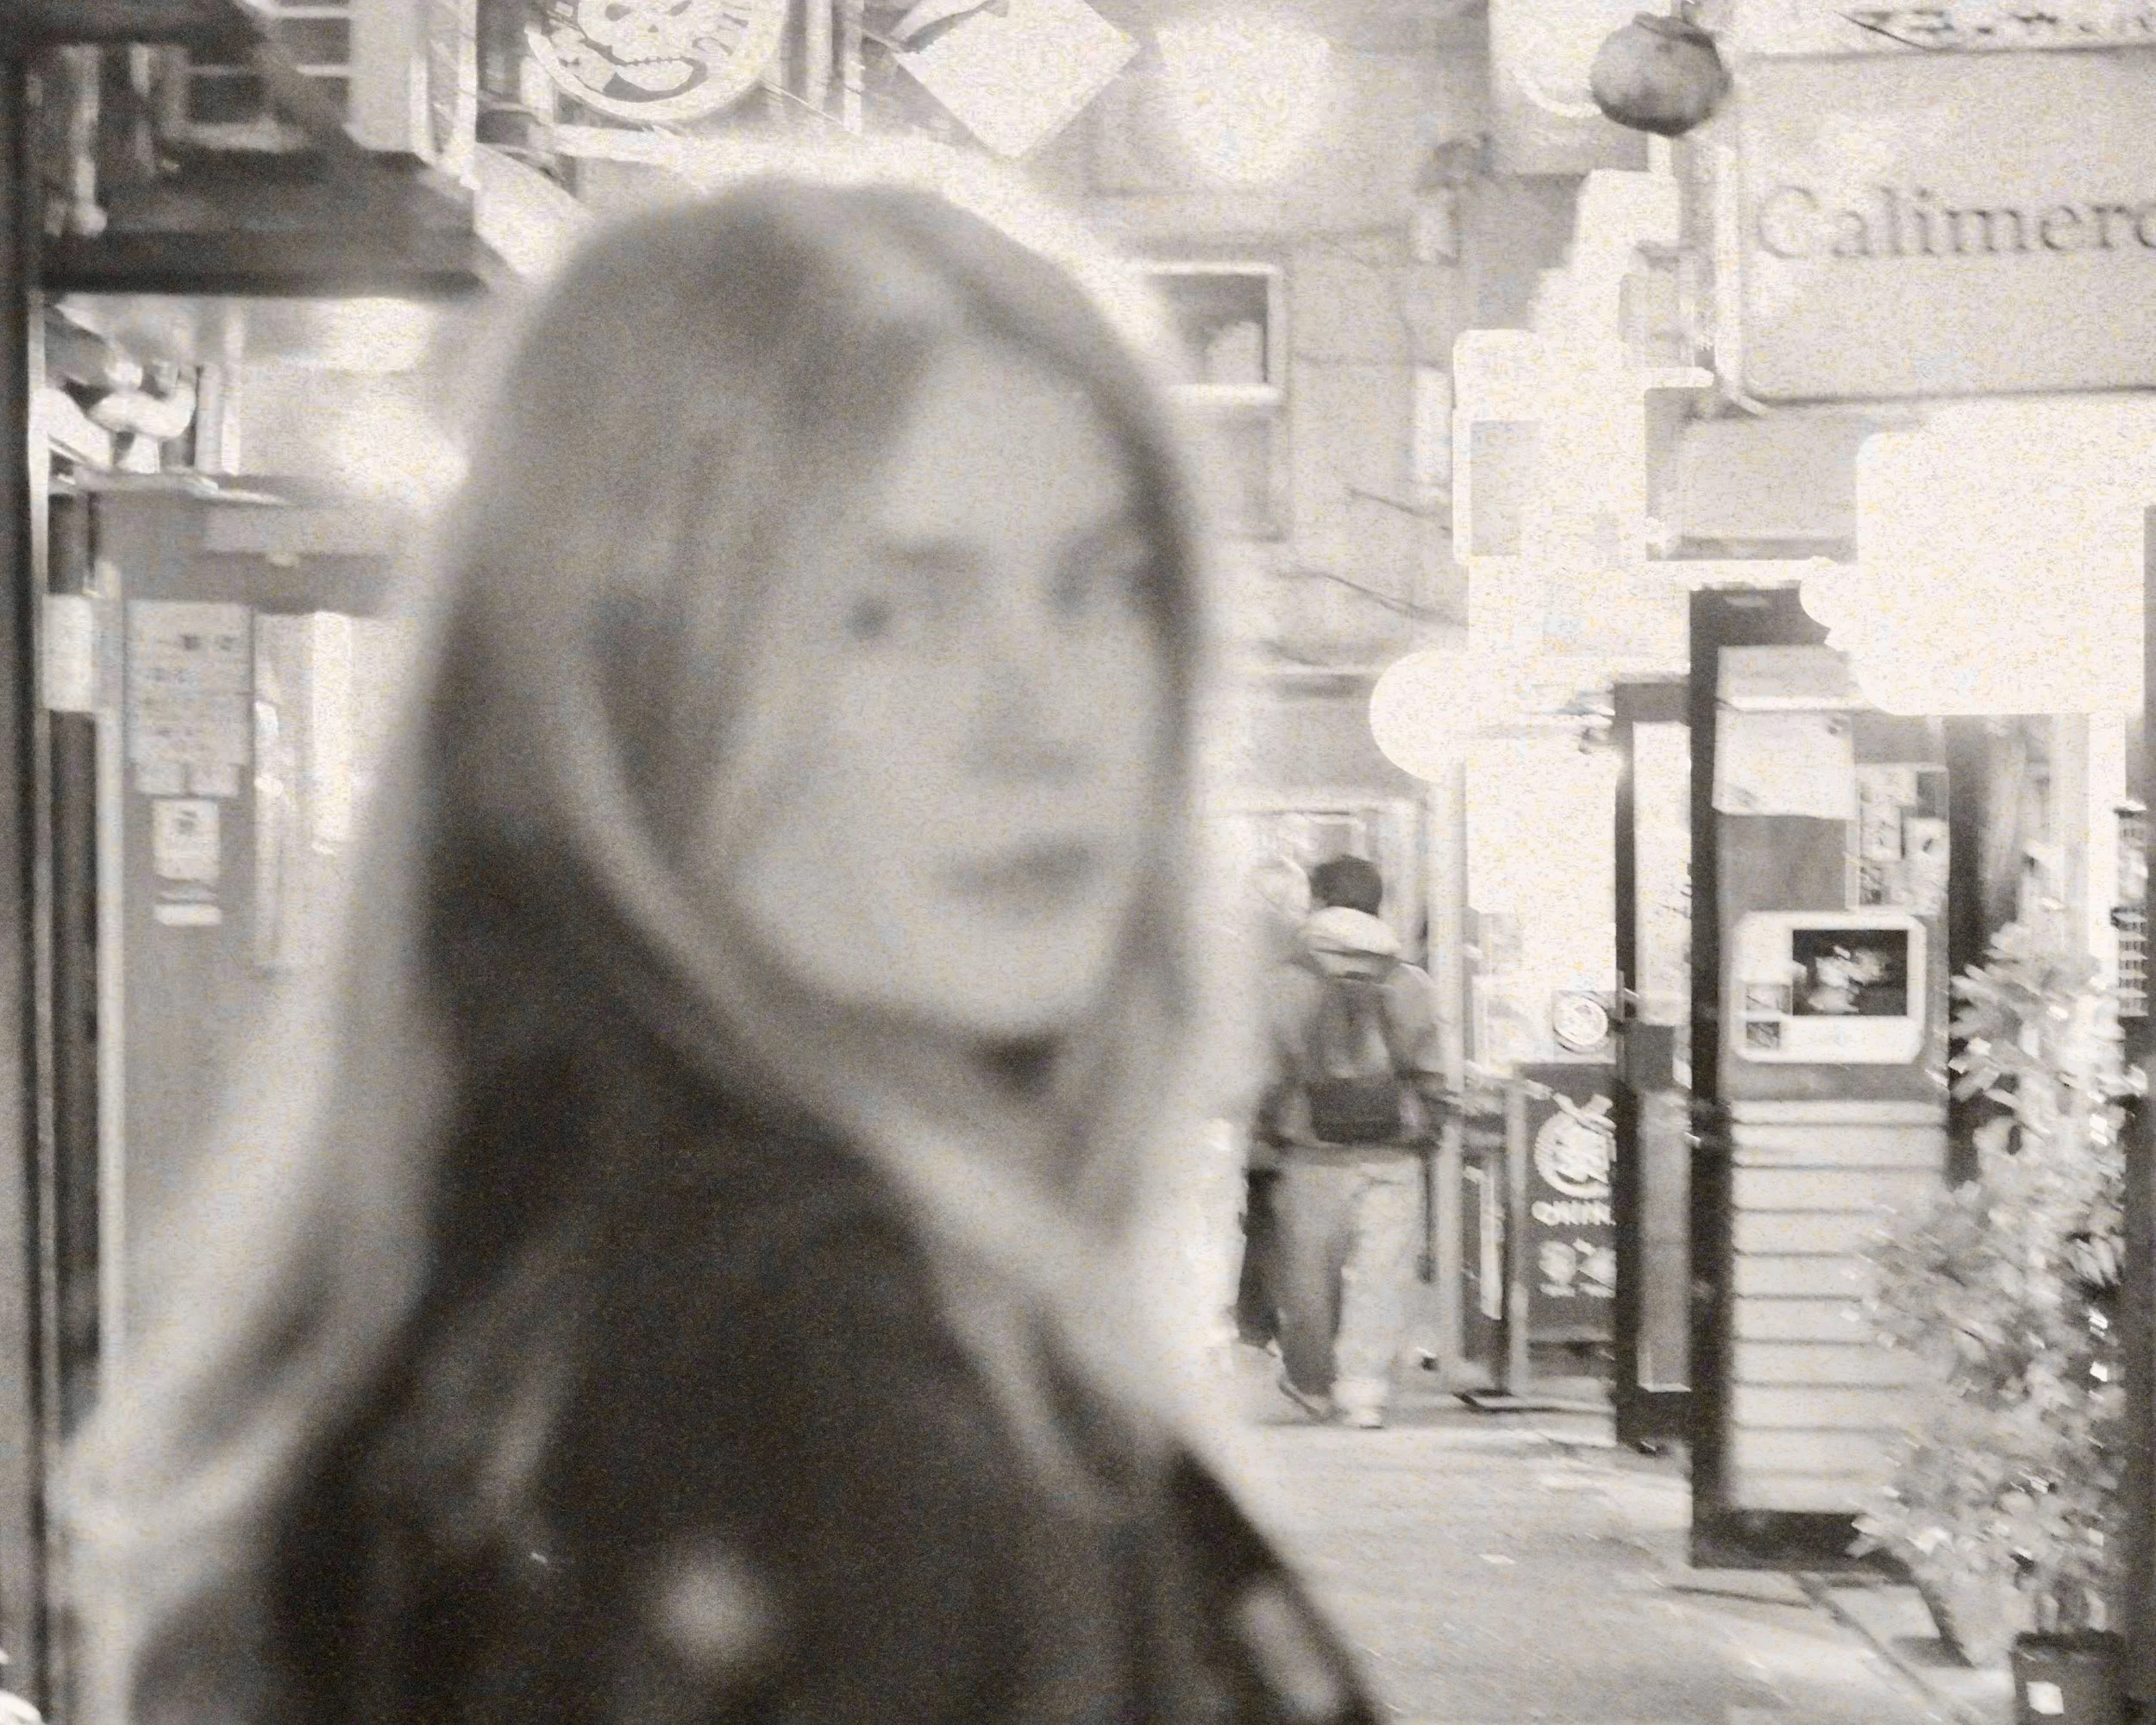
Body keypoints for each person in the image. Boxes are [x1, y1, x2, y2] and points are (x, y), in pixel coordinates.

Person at [63, 162, 1379, 1725]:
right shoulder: (828, 1404)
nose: (1050, 722)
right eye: (889, 613)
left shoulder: (511, 1274)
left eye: (1104, 586)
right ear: (622, 702)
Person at [1259, 857, 1446, 1429]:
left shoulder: (1283, 982)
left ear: (1316, 901)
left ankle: (1314, 1386)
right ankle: (1363, 1391)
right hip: (1393, 1147)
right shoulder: (1409, 981)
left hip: (1308, 1149)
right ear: (1378, 903)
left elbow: (1261, 1071)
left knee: (1307, 1276)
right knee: (1382, 1272)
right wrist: (1430, 1123)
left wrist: (1261, 1133)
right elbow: (1432, 1067)